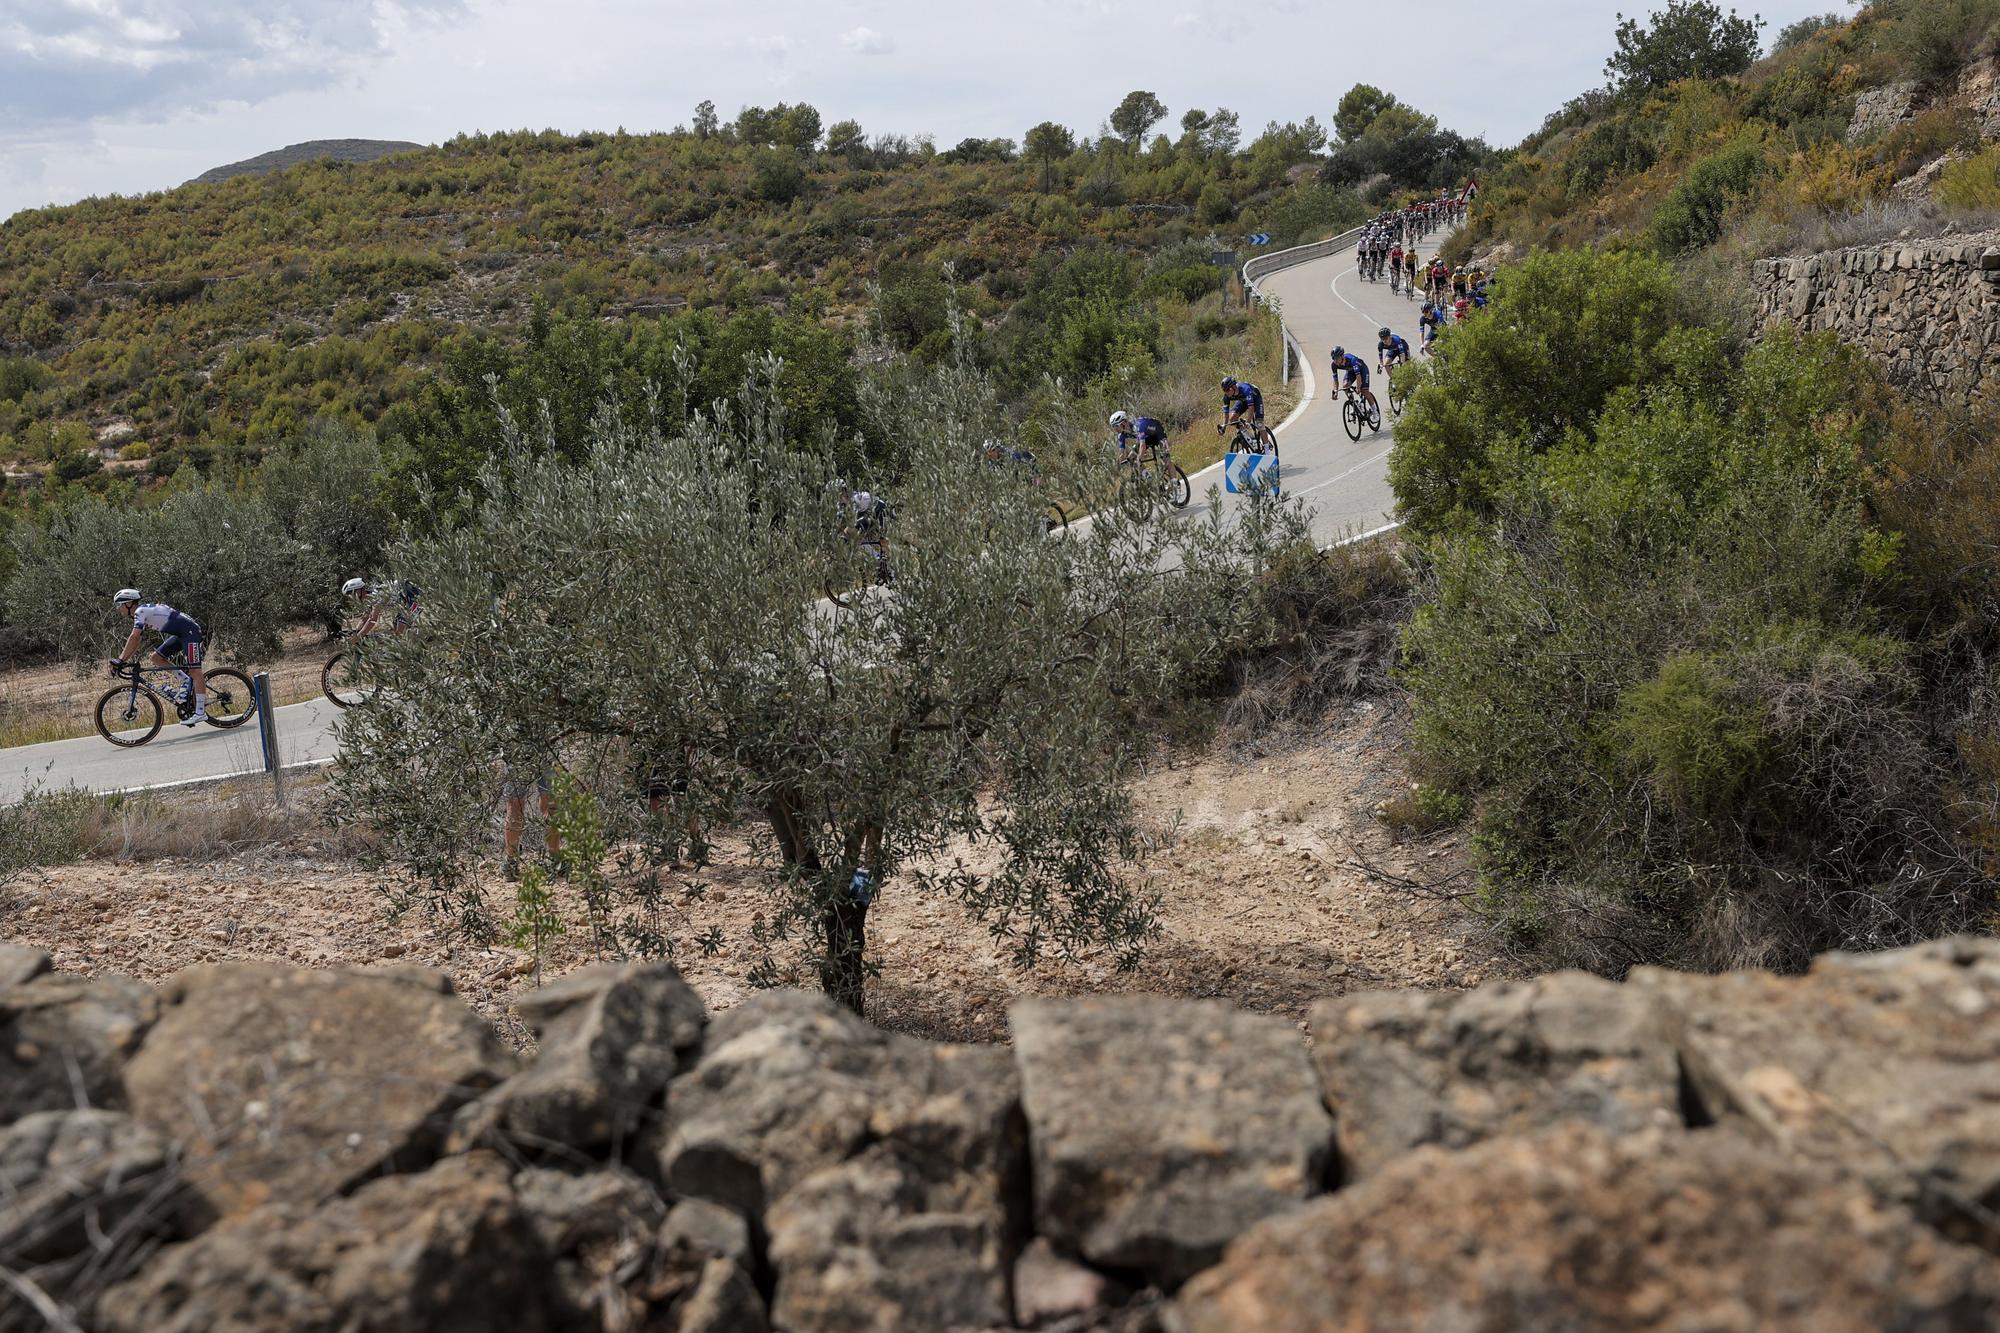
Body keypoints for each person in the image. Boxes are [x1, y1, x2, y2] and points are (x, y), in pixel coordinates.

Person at [109, 588, 206, 726]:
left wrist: (119, 660)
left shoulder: (140, 612)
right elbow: (136, 640)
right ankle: (185, 681)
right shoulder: (142, 612)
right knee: (155, 658)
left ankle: (201, 712)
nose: (119, 609)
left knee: (195, 671)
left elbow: (134, 636)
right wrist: (122, 660)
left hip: (190, 632)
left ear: (129, 603)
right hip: (182, 634)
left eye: (120, 605)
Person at [341, 576, 421, 637]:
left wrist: (359, 635)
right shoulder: (368, 599)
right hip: (404, 604)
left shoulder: (375, 596)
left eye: (350, 595)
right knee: (397, 631)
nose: (351, 598)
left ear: (358, 592)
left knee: (400, 630)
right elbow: (365, 618)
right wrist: (355, 632)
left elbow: (373, 619)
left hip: (413, 597)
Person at [1330, 345, 1379, 417]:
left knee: (1364, 390)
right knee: (1345, 386)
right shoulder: (1334, 365)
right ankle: (1356, 405)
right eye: (1334, 358)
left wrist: (1358, 388)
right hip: (1351, 372)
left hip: (1362, 370)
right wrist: (1335, 391)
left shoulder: (1352, 360)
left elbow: (1358, 376)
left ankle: (1375, 411)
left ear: (1342, 356)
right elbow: (1335, 380)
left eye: (1337, 358)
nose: (1335, 360)